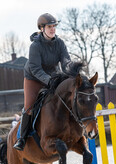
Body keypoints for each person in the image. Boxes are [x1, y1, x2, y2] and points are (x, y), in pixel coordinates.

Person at [13, 13, 73, 151]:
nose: (52, 29)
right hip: (33, 78)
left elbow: (66, 61)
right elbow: (35, 68)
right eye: (49, 26)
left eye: (54, 26)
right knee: (29, 108)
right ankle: (21, 139)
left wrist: (71, 72)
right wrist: (49, 80)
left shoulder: (60, 43)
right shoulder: (35, 46)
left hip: (53, 76)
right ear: (42, 28)